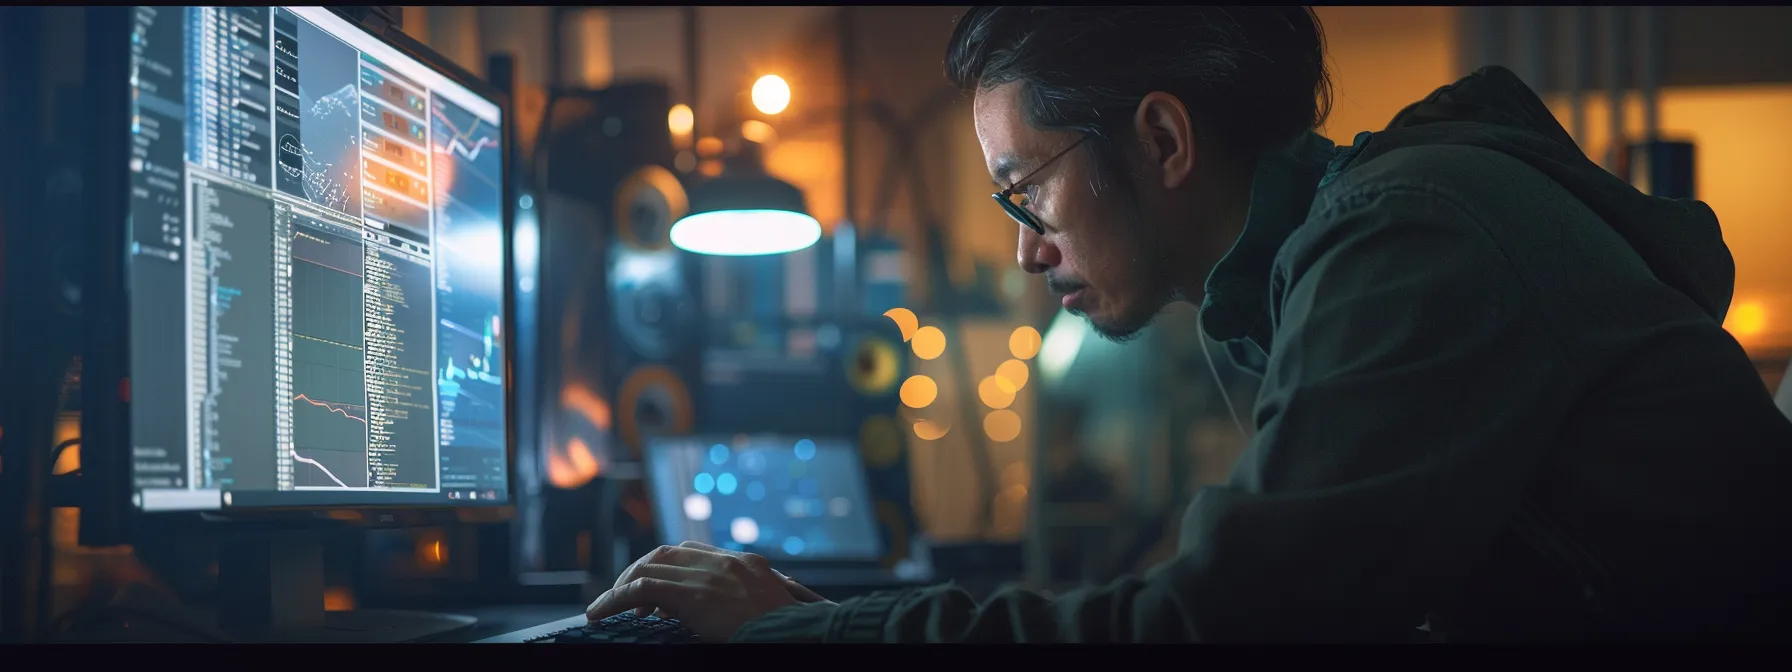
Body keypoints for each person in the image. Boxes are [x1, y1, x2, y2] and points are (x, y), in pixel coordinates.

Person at [584, 6, 1792, 642]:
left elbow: (1220, 625)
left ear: (1160, 140)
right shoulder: (1305, 272)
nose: (1021, 243)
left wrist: (815, 634)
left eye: (1027, 189)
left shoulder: (1408, 240)